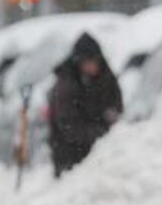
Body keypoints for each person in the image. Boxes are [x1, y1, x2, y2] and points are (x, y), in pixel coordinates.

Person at [48, 32, 122, 177]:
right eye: (87, 62)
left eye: (94, 61)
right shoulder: (66, 85)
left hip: (103, 155)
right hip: (70, 158)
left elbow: (116, 105)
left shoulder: (106, 78)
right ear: (79, 63)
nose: (91, 66)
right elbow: (68, 125)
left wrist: (111, 120)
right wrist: (100, 134)